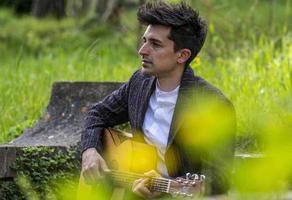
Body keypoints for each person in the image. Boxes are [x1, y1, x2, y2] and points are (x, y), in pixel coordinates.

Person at [80, 1, 236, 199]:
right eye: (144, 40)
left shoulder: (214, 106)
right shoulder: (140, 83)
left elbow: (219, 180)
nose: (142, 50)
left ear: (182, 55)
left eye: (155, 44)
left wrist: (168, 186)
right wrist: (90, 151)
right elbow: (96, 113)